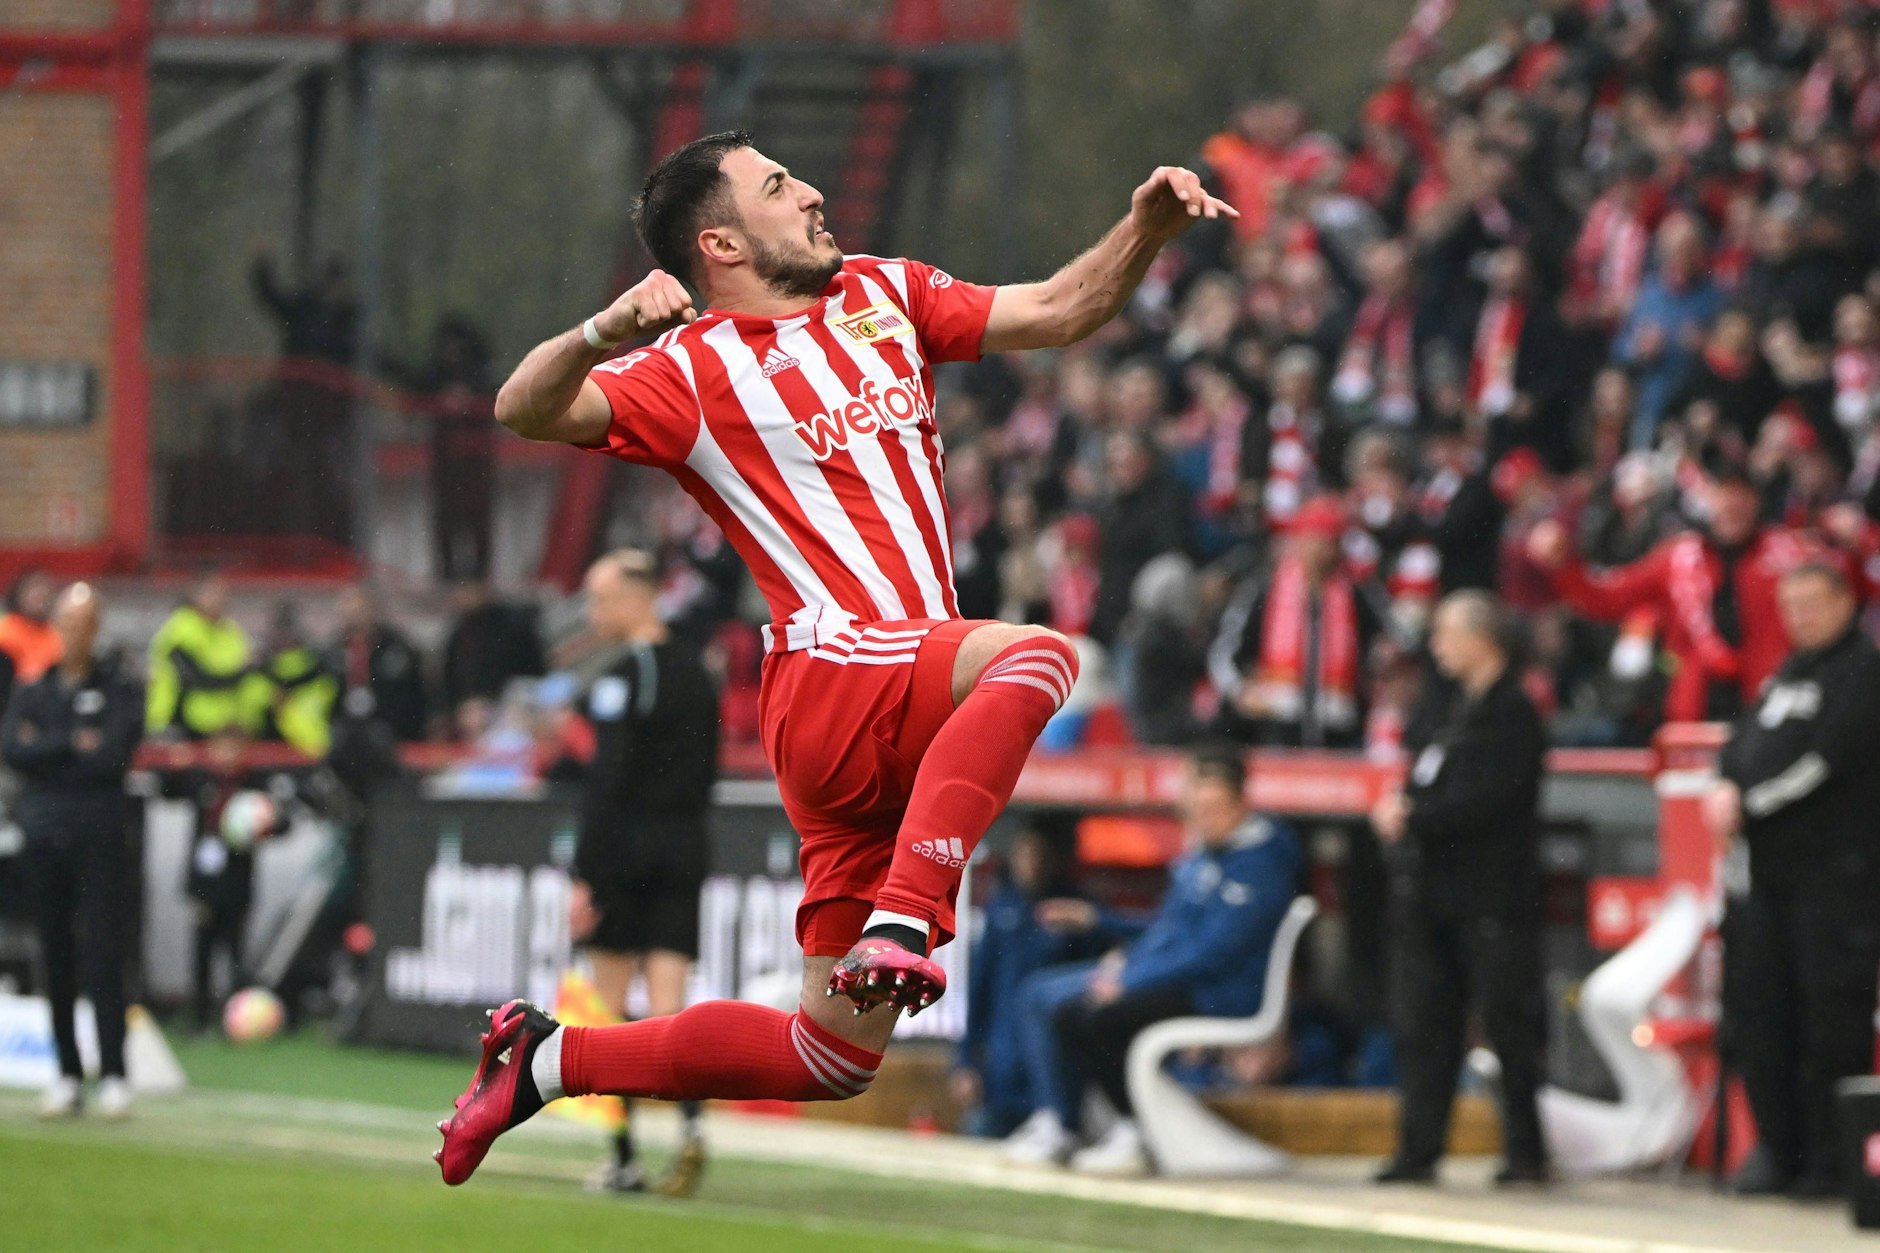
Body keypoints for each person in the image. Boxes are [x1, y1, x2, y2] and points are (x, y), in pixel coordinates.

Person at [435, 130, 1237, 1184]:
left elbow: (1055, 309)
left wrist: (1142, 232)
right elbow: (523, 406)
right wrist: (602, 329)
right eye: (777, 185)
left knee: (828, 1053)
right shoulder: (686, 366)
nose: (812, 191)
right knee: (1035, 658)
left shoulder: (880, 293)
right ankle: (908, 910)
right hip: (835, 666)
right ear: (719, 241)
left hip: (899, 702)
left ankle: (545, 1059)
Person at [1000, 748, 1302, 1174]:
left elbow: (1214, 952)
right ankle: (1059, 1120)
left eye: (1212, 809)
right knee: (1038, 993)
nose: (1203, 818)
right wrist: (1107, 931)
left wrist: (1132, 977)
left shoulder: (1263, 866)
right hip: (1179, 978)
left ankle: (1127, 1126)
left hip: (1222, 992)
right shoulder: (1205, 855)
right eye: (1197, 808)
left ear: (1240, 804)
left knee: (1094, 1013)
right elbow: (1168, 931)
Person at [1706, 562, 1880, 1198]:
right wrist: (1725, 783)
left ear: (1845, 602)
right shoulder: (1786, 673)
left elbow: (1827, 761)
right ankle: (1776, 1152)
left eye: (1812, 602)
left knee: (1829, 1021)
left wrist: (1748, 804)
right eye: (1790, 605)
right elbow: (1743, 742)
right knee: (1763, 1015)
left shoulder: (1864, 671)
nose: (1800, 616)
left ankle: (1832, 1162)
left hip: (1835, 880)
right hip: (1766, 880)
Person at [1370, 591, 1549, 1187]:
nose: (1437, 645)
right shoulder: (1451, 709)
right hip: (1433, 896)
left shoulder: (1515, 713)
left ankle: (1526, 1152)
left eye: (1447, 633)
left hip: (1492, 896)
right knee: (1426, 1025)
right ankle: (1418, 1150)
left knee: (1507, 1026)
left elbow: (1492, 801)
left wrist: (1417, 817)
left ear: (1482, 638)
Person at [566, 550, 720, 1197]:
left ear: (639, 596)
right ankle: (689, 1131)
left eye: (601, 599)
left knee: (607, 1010)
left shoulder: (627, 673)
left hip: (626, 850)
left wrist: (584, 874)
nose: (593, 614)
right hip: (686, 844)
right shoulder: (699, 670)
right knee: (668, 1007)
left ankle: (624, 1157)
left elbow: (608, 781)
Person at [0, 585, 143, 1118]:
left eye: (82, 622)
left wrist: (50, 747)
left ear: (96, 628)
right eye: (65, 621)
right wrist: (70, 741)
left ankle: (114, 1073)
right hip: (44, 835)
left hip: (98, 836)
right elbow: (15, 749)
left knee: (104, 953)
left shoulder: (119, 687)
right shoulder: (34, 688)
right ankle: (65, 1072)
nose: (72, 631)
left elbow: (111, 755)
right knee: (53, 954)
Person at [1527, 467, 1816, 722]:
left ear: (1757, 501)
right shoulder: (1676, 558)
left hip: (1771, 708)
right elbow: (1607, 598)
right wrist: (1563, 563)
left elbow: (1839, 595)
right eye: (1723, 493)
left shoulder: (1791, 555)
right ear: (1707, 499)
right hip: (1693, 711)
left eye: (1741, 495)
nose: (1732, 504)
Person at [953, 815, 1109, 1138]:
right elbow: (978, 992)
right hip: (1002, 1075)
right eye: (1025, 853)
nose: (1032, 863)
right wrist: (965, 1062)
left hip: (1057, 1075)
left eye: (1041, 854)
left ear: (1056, 859)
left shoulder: (1076, 913)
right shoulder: (1001, 912)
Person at [164, 729, 288, 1033]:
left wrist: (267, 824)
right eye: (221, 747)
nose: (227, 754)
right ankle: (199, 1019)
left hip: (238, 883)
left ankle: (238, 1017)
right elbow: (168, 790)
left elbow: (283, 824)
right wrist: (175, 765)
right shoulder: (201, 780)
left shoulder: (253, 786)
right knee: (202, 952)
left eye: (234, 747)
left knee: (235, 952)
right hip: (205, 884)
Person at [146, 571, 256, 740]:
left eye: (223, 594)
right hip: (176, 722)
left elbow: (248, 668)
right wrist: (241, 674)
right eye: (213, 593)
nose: (220, 599)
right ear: (196, 596)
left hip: (225, 725)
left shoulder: (231, 631)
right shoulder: (181, 628)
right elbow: (195, 677)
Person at [332, 585, 430, 743]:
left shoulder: (398, 650)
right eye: (349, 611)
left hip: (394, 739)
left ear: (372, 610)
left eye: (360, 610)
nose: (354, 617)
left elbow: (416, 696)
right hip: (345, 740)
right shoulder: (333, 651)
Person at [0, 570, 63, 687]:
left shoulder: (55, 633)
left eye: (44, 593)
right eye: (34, 592)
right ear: (19, 594)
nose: (40, 598)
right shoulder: (5, 631)